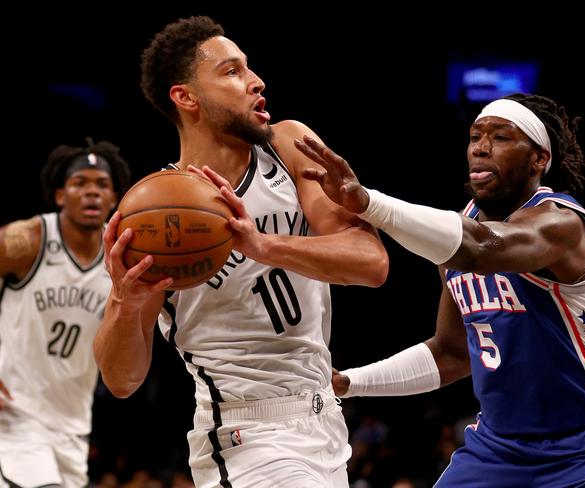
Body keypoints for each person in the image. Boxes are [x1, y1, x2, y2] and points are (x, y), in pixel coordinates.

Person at [295, 93, 585, 487]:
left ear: (539, 159)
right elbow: (451, 353)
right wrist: (351, 382)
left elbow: (482, 248)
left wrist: (367, 203)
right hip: (498, 449)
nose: (481, 148)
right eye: (475, 136)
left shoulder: (562, 225)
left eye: (500, 138)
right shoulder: (456, 236)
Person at [93, 15, 388, 488]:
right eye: (231, 71)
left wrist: (263, 244)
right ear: (186, 96)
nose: (255, 81)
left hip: (325, 421)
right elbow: (122, 379)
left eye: (248, 68)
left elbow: (371, 263)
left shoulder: (290, 147)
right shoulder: (153, 222)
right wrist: (126, 303)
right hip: (243, 433)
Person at [0, 139, 131, 487]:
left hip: (73, 428)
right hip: (14, 416)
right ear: (60, 195)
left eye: (102, 185)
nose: (91, 193)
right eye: (80, 184)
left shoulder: (121, 259)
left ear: (114, 199)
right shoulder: (28, 240)